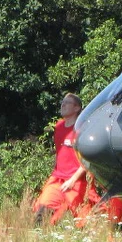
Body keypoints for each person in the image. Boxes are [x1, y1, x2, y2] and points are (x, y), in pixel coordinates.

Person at [32, 92, 93, 225]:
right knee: (43, 208)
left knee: (84, 220)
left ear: (77, 108)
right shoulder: (59, 127)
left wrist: (73, 180)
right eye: (62, 102)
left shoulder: (82, 129)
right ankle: (40, 238)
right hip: (58, 179)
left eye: (67, 102)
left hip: (76, 180)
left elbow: (87, 159)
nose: (62, 105)